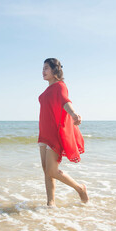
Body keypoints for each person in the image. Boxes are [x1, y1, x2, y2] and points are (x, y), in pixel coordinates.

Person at [38, 58, 89, 207]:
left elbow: (65, 101)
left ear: (55, 71)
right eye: (43, 68)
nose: (43, 71)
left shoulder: (60, 86)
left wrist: (73, 114)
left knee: (52, 171)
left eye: (46, 68)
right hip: (44, 133)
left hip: (55, 133)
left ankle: (80, 188)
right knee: (46, 170)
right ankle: (50, 204)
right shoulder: (47, 90)